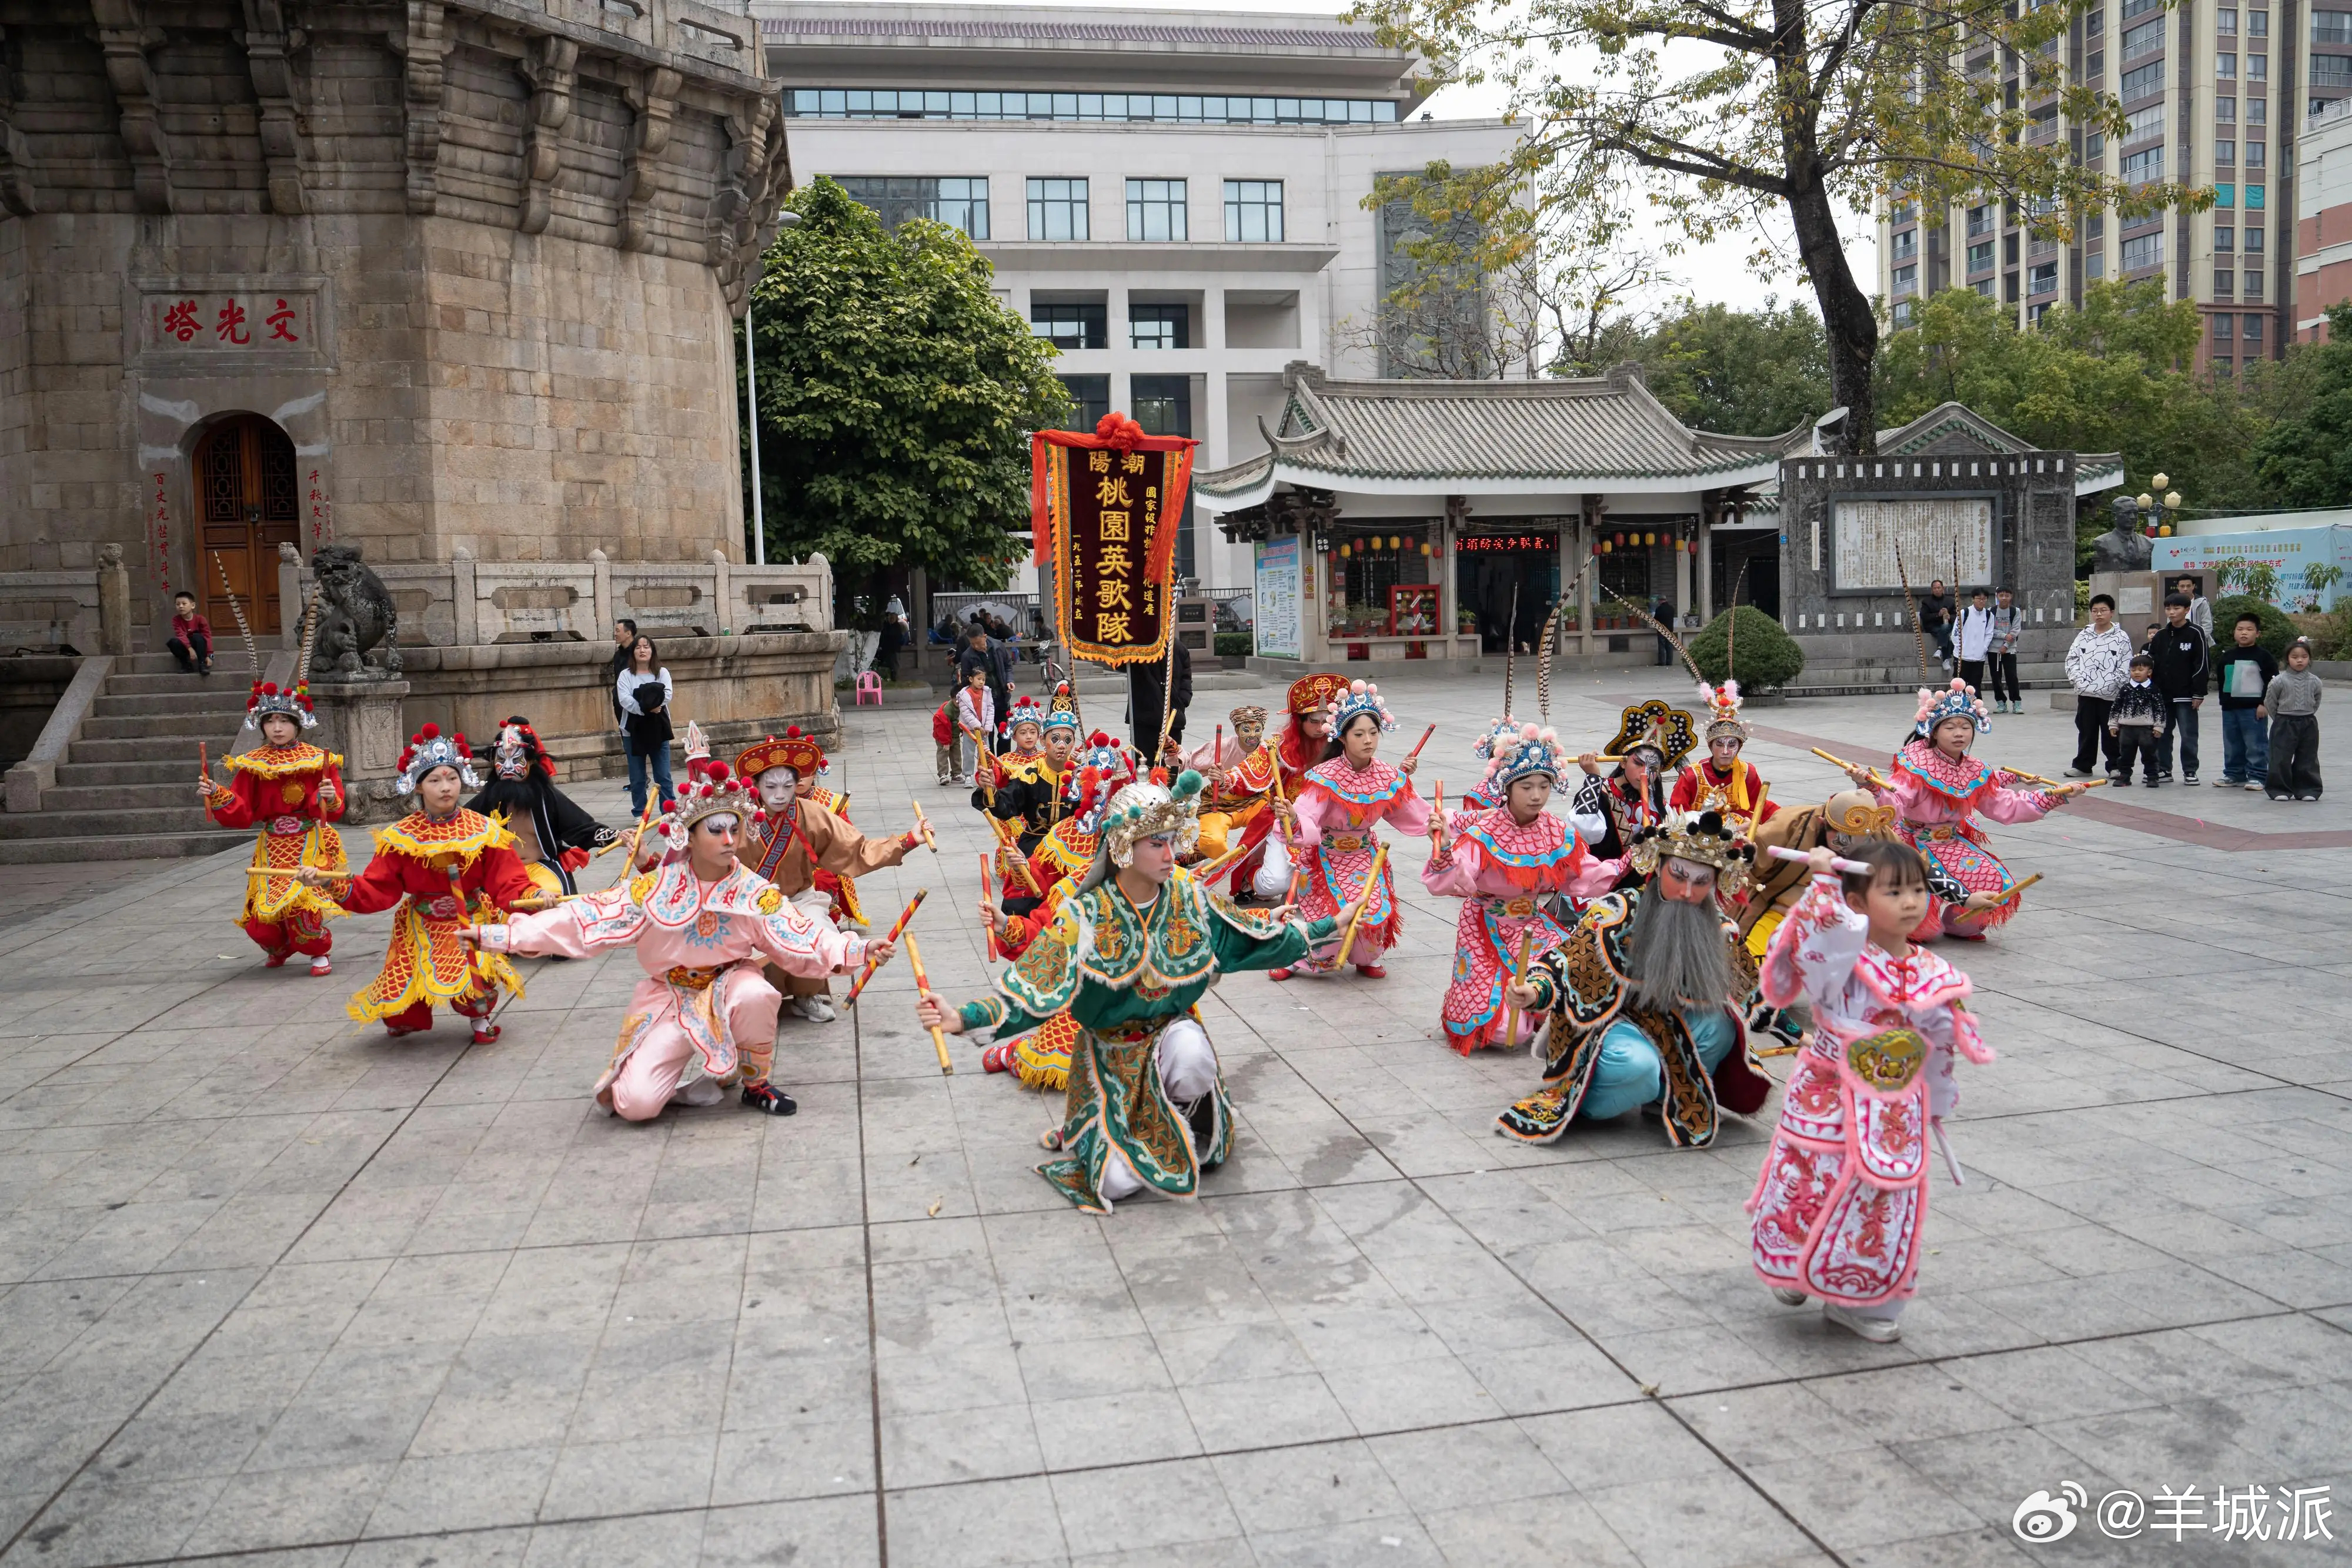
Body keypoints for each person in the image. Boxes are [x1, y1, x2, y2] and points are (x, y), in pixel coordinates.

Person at [917, 770, 1364, 1214]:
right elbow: (1033, 986)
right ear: (1123, 848)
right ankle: (1121, 1131)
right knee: (1116, 1184)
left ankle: (1178, 1112)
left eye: (1173, 839)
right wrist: (962, 1018)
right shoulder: (1087, 913)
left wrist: (1326, 927)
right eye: (1157, 842)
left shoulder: (1188, 896)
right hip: (1109, 1060)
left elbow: (1248, 936)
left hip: (1169, 1037)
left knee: (1193, 1054)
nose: (1173, 854)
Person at [466, 759, 884, 1121]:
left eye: (734, 830)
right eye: (715, 830)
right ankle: (696, 1081)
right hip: (670, 996)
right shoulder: (656, 889)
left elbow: (800, 933)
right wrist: (499, 934)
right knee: (635, 1105)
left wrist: (857, 949)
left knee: (756, 991)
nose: (728, 840)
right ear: (689, 835)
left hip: (729, 984)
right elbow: (584, 917)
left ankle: (756, 1084)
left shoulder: (751, 889)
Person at [1747, 840, 1993, 1343]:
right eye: (1894, 890)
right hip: (1831, 1090)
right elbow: (1823, 944)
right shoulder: (1845, 955)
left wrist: (1937, 1101)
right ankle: (1796, 1266)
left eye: (1918, 889)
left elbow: (1939, 1044)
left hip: (1896, 1105)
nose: (1911, 901)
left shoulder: (1935, 972)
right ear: (1857, 903)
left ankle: (1863, 1297)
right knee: (1815, 1178)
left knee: (1885, 1195)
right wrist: (1821, 884)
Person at [1494, 810, 1772, 1148]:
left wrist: (1800, 1034)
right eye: (1679, 876)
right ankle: (1586, 1102)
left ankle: (1662, 1096)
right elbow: (1564, 962)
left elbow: (1751, 988)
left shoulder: (1718, 925)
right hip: (1610, 1021)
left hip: (1673, 1020)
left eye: (1701, 882)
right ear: (1658, 868)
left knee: (1722, 1024)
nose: (1686, 891)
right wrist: (1533, 991)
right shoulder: (1617, 911)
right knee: (1637, 1067)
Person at [298, 724, 534, 1044]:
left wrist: (533, 895)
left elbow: (508, 879)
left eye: (452, 778)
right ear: (419, 786)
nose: (445, 787)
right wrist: (330, 882)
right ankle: (408, 1017)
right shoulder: (400, 836)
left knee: (474, 984)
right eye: (434, 780)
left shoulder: (484, 831)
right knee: (400, 1000)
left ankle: (480, 1019)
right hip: (420, 921)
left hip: (472, 917)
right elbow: (378, 888)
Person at [1853, 678, 2087, 940]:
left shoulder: (1976, 769)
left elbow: (2003, 805)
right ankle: (1914, 922)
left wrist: (2053, 795)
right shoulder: (1915, 764)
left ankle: (1960, 923)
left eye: (1966, 726)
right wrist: (1874, 789)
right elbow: (1897, 799)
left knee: (1994, 884)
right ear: (1934, 731)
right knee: (1923, 929)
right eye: (1950, 727)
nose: (1959, 733)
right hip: (1912, 842)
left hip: (1951, 841)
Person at [1423, 724, 1605, 1054]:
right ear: (1508, 787)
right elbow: (1455, 876)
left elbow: (1581, 876)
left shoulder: (1556, 830)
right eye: (1526, 787)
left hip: (1533, 924)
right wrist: (1446, 850)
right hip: (1485, 925)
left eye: (1544, 786)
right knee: (1506, 1031)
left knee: (1573, 980)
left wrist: (1632, 865)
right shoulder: (1485, 830)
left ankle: (1539, 1010)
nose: (1536, 795)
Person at [974, 734, 1138, 1085]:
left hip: (1142, 992)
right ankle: (1018, 1048)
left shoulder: (1162, 874)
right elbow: (1048, 919)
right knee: (1067, 1061)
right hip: (1084, 977)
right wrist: (1008, 922)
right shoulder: (1076, 868)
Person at [736, 727, 927, 1023]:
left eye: (788, 786)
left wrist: (908, 841)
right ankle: (749, 1002)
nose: (780, 794)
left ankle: (805, 995)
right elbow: (705, 858)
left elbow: (855, 849)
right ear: (756, 784)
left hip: (799, 901)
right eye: (770, 786)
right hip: (747, 904)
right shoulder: (738, 817)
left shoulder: (811, 813)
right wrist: (650, 860)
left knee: (819, 934)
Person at [1739, 790, 1953, 1051]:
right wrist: (1741, 853)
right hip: (1778, 910)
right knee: (1750, 976)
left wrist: (1964, 897)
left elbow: (1915, 868)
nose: (1847, 848)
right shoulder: (1791, 824)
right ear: (1822, 824)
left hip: (1844, 919)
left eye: (1859, 840)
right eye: (1839, 837)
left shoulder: (1880, 836)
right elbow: (1746, 857)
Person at [1269, 679, 1430, 980]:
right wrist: (1291, 817)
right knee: (1332, 919)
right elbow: (1306, 817)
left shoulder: (1387, 776)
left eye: (1373, 733)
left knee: (1372, 911)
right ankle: (1298, 959)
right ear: (1342, 737)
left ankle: (1365, 957)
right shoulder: (1324, 777)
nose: (1368, 740)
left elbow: (1417, 814)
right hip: (1327, 855)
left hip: (1366, 854)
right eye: (1359, 734)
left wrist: (1447, 825)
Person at [201, 680, 347, 975]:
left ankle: (318, 951)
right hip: (272, 845)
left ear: (297, 724)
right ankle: (279, 948)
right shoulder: (253, 765)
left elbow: (334, 808)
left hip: (307, 839)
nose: (277, 728)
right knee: (260, 921)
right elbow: (242, 810)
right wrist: (216, 792)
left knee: (301, 905)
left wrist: (328, 798)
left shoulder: (319, 759)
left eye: (283, 721)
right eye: (270, 721)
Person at [467, 717, 616, 901]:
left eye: (516, 759)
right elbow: (460, 828)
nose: (507, 767)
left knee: (554, 901)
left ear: (531, 762)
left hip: (542, 867)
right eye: (501, 759)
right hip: (503, 873)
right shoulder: (486, 801)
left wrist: (617, 836)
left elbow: (582, 828)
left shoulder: (547, 797)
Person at [1230, 674, 1347, 902]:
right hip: (1287, 823)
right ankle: (1250, 876)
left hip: (1329, 824)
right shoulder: (1279, 747)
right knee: (1273, 883)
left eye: (1326, 720)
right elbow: (1247, 771)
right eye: (1313, 720)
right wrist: (1226, 780)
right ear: (1299, 720)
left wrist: (1400, 773)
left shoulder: (1342, 745)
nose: (1321, 727)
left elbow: (1368, 773)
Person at [1568, 700, 1696, 895]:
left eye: (1653, 768)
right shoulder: (1601, 791)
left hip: (1643, 884)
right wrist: (1593, 777)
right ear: (1623, 763)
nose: (1645, 773)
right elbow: (1584, 831)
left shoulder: (1659, 805)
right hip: (1597, 882)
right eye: (1638, 763)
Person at [1669, 681, 1780, 833]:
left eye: (1732, 745)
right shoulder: (1691, 775)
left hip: (1742, 836)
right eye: (1719, 745)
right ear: (1710, 746)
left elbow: (1758, 807)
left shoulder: (1748, 772)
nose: (1726, 751)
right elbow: (1678, 814)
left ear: (1739, 746)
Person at [1178, 704, 1278, 868]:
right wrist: (1174, 750)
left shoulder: (1268, 750)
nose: (1252, 735)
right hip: (1221, 802)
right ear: (1237, 731)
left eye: (1257, 729)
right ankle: (1193, 855)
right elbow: (1190, 761)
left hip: (1254, 802)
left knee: (1274, 825)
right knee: (1214, 843)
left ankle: (1258, 866)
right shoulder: (1224, 746)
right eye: (1246, 730)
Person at [2064, 593, 2133, 780]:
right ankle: (2083, 765)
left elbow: (2126, 665)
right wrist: (2078, 680)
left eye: (2103, 610)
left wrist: (2112, 684)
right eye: (2095, 611)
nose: (2099, 614)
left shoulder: (2121, 638)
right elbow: (2072, 659)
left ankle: (2115, 766)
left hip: (2111, 695)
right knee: (2086, 730)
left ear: (2112, 613)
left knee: (2112, 731)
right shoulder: (2084, 635)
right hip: (2086, 693)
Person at [2145, 593, 2210, 784]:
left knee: (2189, 735)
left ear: (2187, 610)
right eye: (2168, 609)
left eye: (2177, 608)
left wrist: (2199, 693)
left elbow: (2202, 665)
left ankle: (2190, 771)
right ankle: (2164, 770)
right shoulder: (2161, 636)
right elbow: (2151, 663)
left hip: (2187, 696)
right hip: (2162, 695)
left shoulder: (2196, 633)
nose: (2172, 613)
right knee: (2162, 733)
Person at [2213, 612, 2278, 791]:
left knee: (2255, 743)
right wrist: (2224, 703)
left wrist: (2264, 704)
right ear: (2234, 632)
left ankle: (2258, 776)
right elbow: (2222, 681)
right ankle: (2234, 774)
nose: (2244, 633)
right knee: (2232, 742)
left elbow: (2272, 682)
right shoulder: (2227, 656)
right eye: (2240, 629)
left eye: (2249, 630)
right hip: (2230, 708)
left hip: (2253, 709)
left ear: (2258, 634)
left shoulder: (2263, 656)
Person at [617, 634, 676, 815]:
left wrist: (654, 704)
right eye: (638, 647)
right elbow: (625, 699)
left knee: (663, 775)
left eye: (646, 647)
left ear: (653, 650)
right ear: (633, 652)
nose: (643, 650)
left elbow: (667, 694)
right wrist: (646, 708)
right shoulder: (626, 675)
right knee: (637, 777)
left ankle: (669, 811)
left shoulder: (662, 673)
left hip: (659, 729)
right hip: (633, 731)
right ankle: (639, 812)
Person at [2266, 637, 2324, 800]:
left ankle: (2308, 789)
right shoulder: (2279, 681)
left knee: (2308, 757)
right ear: (2287, 659)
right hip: (2284, 722)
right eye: (2295, 657)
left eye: (2304, 657)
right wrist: (2279, 719)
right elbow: (2270, 702)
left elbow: (2316, 700)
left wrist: (2307, 713)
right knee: (2281, 757)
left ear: (2309, 659)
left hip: (2308, 722)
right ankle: (2279, 789)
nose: (2300, 660)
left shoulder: (2315, 681)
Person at [2106, 653, 2169, 786]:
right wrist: (2113, 724)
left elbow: (2160, 709)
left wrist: (2159, 727)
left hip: (2147, 729)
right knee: (2125, 754)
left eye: (2141, 670)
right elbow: (2116, 707)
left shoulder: (2153, 689)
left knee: (2150, 754)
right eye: (2133, 670)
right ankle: (2124, 776)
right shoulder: (2126, 689)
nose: (2136, 673)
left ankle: (2152, 776)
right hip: (2126, 728)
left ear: (2149, 672)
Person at [1128, 638, 1193, 760]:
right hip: (1145, 719)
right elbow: (1121, 665)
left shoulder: (1178, 648)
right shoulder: (1139, 647)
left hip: (1173, 718)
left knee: (1171, 765)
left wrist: (1183, 700)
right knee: (1144, 766)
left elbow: (1186, 679)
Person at [953, 663, 995, 784]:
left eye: (983, 680)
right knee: (969, 752)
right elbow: (966, 713)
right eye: (979, 679)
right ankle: (968, 775)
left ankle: (986, 774)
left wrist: (987, 726)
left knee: (985, 753)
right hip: (970, 730)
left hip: (984, 730)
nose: (982, 682)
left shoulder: (987, 692)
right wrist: (977, 726)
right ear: (971, 679)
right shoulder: (964, 695)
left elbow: (991, 709)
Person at [1986, 587, 2025, 714]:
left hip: (2010, 649)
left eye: (2007, 595)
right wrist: (2004, 636)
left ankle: (2016, 703)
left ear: (2011, 597)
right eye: (2001, 595)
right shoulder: (1990, 611)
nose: (2004, 598)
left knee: (2012, 676)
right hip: (1994, 649)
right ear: (1997, 596)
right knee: (1995, 677)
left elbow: (2015, 630)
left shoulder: (2015, 611)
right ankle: (2001, 703)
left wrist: (2006, 645)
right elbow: (1990, 630)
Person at [1955, 587, 1994, 695]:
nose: (1981, 601)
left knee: (1976, 683)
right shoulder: (1964, 613)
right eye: (1979, 599)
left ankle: (1975, 706)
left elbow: (1989, 634)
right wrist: (1960, 648)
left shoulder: (1989, 615)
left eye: (1984, 599)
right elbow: (1956, 632)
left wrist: (1984, 648)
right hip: (1963, 656)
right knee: (1960, 684)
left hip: (1979, 657)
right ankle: (1959, 705)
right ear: (1973, 599)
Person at [168, 591, 214, 675]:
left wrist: (210, 655)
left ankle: (202, 665)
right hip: (186, 646)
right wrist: (190, 649)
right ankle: (186, 665)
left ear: (193, 606)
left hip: (200, 646)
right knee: (173, 642)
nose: (181, 606)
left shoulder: (201, 619)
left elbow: (207, 636)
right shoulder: (176, 620)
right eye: (178, 604)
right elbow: (181, 634)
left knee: (198, 637)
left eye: (184, 604)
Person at [607, 618, 638, 728]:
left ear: (628, 633)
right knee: (625, 733)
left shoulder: (639, 653)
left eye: (618, 631)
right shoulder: (618, 655)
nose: (615, 634)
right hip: (620, 702)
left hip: (636, 702)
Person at [1920, 579, 1955, 668]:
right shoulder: (1926, 602)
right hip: (1933, 626)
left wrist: (1949, 617)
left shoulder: (1950, 601)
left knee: (1945, 627)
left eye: (1939, 588)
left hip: (1948, 625)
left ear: (1943, 588)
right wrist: (1938, 615)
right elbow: (1924, 616)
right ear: (1932, 590)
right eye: (1935, 588)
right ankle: (1946, 659)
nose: (1937, 590)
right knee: (1945, 632)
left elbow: (1957, 615)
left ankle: (1939, 649)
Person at [2174, 574, 2214, 644]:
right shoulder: (2174, 603)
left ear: (2193, 586)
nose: (2185, 589)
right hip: (2179, 642)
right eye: (2182, 586)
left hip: (2199, 642)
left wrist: (2195, 639)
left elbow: (2207, 626)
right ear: (2178, 587)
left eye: (2188, 586)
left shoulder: (2202, 603)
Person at [874, 611, 904, 683]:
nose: (891, 619)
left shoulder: (897, 627)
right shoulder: (886, 626)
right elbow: (883, 637)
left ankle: (896, 679)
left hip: (895, 650)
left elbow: (899, 638)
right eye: (890, 617)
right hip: (886, 650)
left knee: (895, 666)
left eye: (893, 618)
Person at [1652, 595, 1678, 667]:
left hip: (1662, 630)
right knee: (1669, 646)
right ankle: (1669, 662)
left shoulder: (1659, 609)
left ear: (1660, 601)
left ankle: (1662, 662)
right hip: (1670, 630)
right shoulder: (1671, 609)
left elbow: (1655, 620)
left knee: (1662, 646)